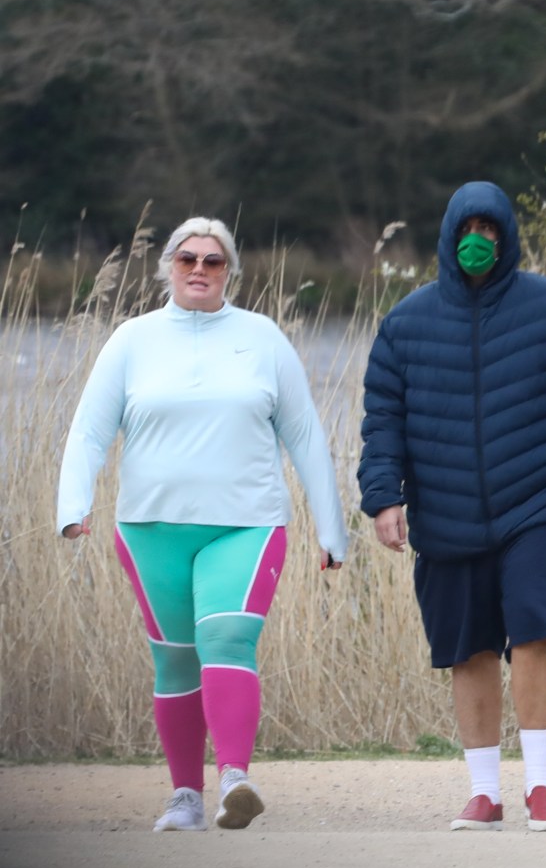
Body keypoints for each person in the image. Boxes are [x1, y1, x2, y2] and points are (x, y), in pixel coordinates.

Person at [57, 216, 348, 832]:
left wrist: (332, 528)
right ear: (167, 266)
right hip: (149, 529)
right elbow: (89, 430)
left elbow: (304, 435)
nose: (198, 268)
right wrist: (72, 506)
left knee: (227, 641)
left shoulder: (262, 338)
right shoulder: (131, 341)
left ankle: (235, 777)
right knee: (176, 662)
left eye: (213, 261)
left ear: (229, 272)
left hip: (246, 526)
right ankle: (184, 797)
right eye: (187, 258)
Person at [358, 181, 546, 832]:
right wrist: (382, 497)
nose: (478, 240)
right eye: (467, 229)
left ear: (507, 237)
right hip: (446, 514)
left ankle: (540, 785)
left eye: (491, 229)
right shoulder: (406, 324)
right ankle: (485, 791)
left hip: (537, 503)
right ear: (449, 238)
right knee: (468, 647)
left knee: (538, 629)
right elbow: (382, 421)